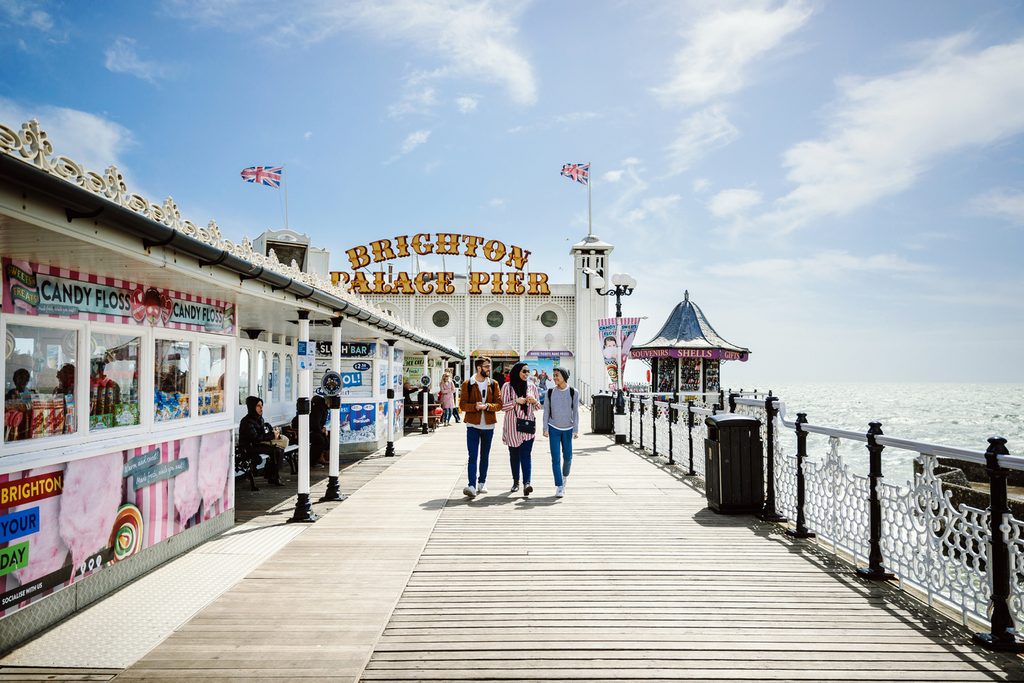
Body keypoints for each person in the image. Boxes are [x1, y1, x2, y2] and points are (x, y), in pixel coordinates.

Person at [459, 357, 501, 498]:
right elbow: (462, 405)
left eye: (489, 366)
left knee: (485, 456)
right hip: (472, 425)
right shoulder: (468, 384)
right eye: (486, 366)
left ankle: (482, 482)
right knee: (473, 456)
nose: (489, 369)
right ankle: (471, 485)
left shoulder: (494, 384)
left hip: (488, 425)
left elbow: (499, 404)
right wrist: (475, 407)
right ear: (478, 368)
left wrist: (487, 406)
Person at [501, 362, 540, 497]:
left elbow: (538, 407)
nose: (526, 374)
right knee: (514, 456)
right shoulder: (507, 386)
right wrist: (515, 401)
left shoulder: (532, 386)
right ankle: (516, 482)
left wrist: (534, 401)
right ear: (517, 371)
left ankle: (527, 484)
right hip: (512, 427)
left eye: (528, 372)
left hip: (527, 427)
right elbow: (503, 407)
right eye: (524, 371)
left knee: (526, 455)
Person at [542, 366, 580, 498]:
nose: (554, 377)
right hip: (553, 428)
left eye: (557, 375)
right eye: (554, 375)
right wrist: (545, 428)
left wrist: (575, 429)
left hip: (568, 429)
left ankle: (564, 477)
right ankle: (559, 486)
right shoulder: (550, 392)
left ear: (564, 376)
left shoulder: (573, 392)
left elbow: (575, 412)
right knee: (555, 458)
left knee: (568, 457)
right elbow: (546, 410)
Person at [239, 396, 287, 486]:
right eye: (258, 406)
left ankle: (272, 475)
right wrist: (272, 435)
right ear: (252, 407)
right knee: (276, 451)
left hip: (258, 444)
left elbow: (262, 435)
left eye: (262, 406)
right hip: (249, 446)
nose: (261, 408)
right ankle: (272, 476)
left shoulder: (260, 419)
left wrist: (272, 432)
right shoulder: (247, 421)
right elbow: (255, 438)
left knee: (279, 449)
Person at [292, 395, 329, 466]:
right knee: (319, 439)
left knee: (323, 438)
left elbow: (316, 423)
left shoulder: (318, 408)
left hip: (308, 430)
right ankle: (312, 461)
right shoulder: (319, 408)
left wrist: (322, 429)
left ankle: (319, 458)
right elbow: (315, 424)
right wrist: (321, 431)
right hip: (302, 431)